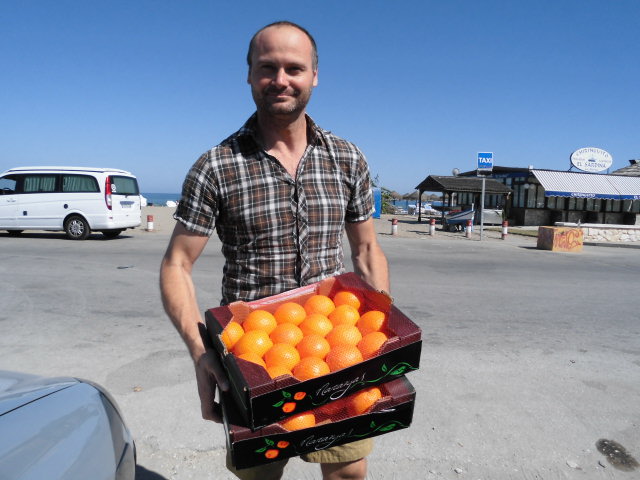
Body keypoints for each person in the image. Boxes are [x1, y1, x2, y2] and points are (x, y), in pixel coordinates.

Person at [160, 20, 389, 480]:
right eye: (267, 67)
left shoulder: (347, 159)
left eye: (294, 68)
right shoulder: (216, 166)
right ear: (249, 74)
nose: (280, 79)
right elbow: (177, 264)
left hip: (333, 348)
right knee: (259, 476)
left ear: (314, 76)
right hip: (253, 358)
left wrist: (378, 336)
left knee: (347, 472)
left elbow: (366, 250)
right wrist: (200, 351)